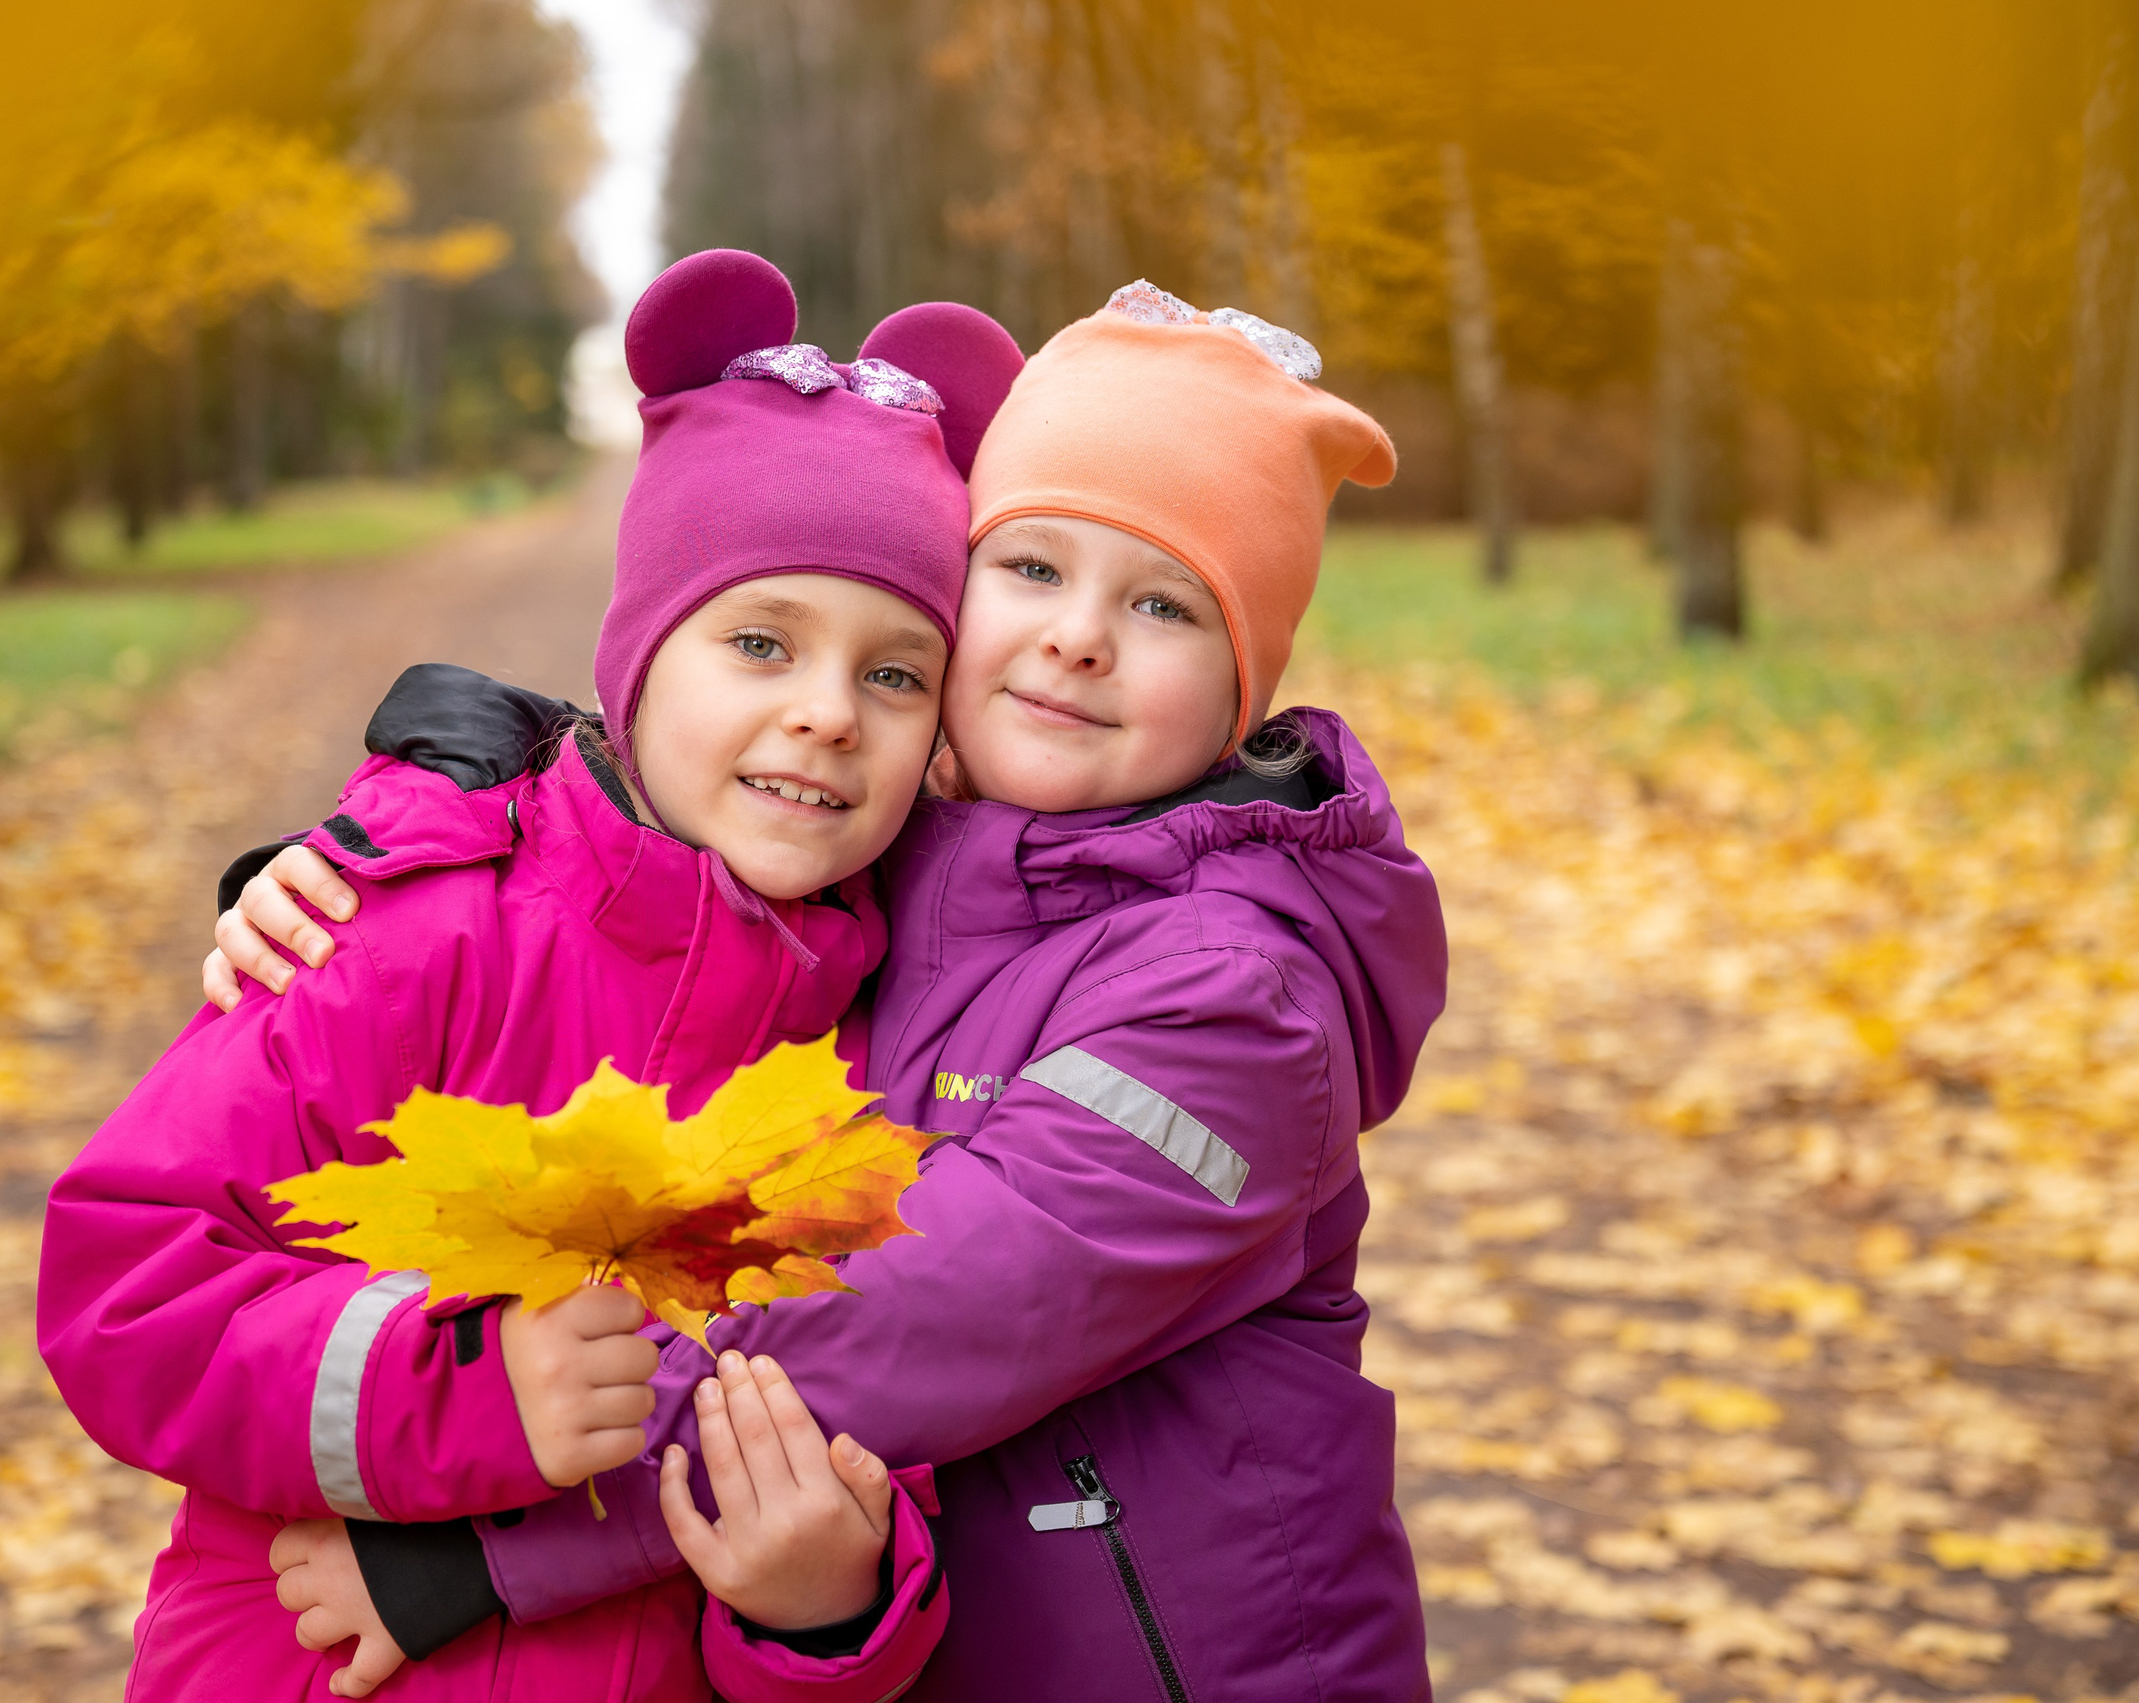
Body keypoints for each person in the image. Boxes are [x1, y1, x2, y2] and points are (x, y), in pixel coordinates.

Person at [214, 278, 1449, 1701]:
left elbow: (905, 1314)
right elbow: (644, 809)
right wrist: (366, 861)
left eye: (1165, 603)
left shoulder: (1235, 998)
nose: (1080, 638)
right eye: (1031, 569)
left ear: (1245, 685)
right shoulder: (898, 859)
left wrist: (489, 1536)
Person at [36, 248, 1027, 1702]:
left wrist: (831, 1616)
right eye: (760, 643)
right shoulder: (410, 927)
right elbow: (124, 1287)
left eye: (896, 675)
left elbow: (889, 1413)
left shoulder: (886, 1046)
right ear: (636, 665)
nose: (825, 714)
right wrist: (451, 1387)